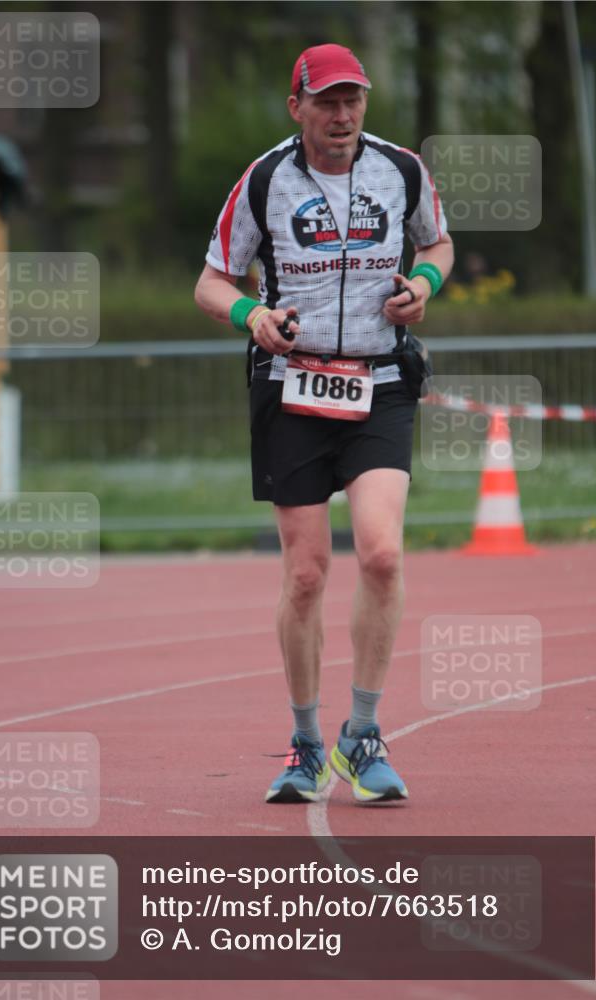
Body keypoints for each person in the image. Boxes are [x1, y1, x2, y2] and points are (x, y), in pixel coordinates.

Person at [195, 43, 453, 804]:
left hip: (378, 382)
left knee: (379, 555)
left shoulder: (400, 170)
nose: (341, 116)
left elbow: (436, 241)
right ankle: (305, 744)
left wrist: (424, 283)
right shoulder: (265, 179)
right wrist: (251, 314)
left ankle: (362, 734)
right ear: (296, 108)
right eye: (327, 102)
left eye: (353, 101)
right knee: (306, 574)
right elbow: (211, 280)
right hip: (291, 385)